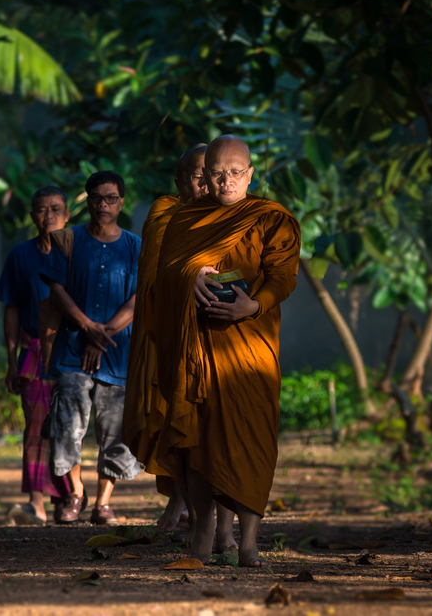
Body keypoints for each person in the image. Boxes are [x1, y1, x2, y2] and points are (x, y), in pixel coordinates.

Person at [144, 135, 300, 566]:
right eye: (217, 173)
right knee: (196, 442)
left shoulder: (271, 218)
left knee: (251, 439)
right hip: (196, 350)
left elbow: (282, 276)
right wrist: (188, 277)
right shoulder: (185, 219)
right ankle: (202, 536)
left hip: (251, 348)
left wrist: (254, 304)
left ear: (250, 174)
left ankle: (248, 543)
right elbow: (164, 276)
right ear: (204, 176)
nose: (226, 181)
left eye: (235, 172)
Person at [124, 144, 234, 543]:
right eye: (196, 175)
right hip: (166, 334)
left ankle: (223, 526)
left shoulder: (233, 215)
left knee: (219, 430)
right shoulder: (164, 214)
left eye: (212, 174)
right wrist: (187, 277)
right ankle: (186, 504)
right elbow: (152, 280)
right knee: (179, 424)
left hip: (219, 334)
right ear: (179, 180)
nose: (205, 182)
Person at [39, 171, 143, 525]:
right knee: (68, 424)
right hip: (72, 350)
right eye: (97, 198)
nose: (103, 204)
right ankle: (75, 493)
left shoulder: (134, 246)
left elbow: (139, 297)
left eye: (111, 198)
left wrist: (104, 334)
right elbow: (56, 289)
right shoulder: (70, 240)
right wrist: (86, 326)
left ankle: (104, 503)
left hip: (117, 352)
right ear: (88, 200)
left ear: (122, 202)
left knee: (115, 430)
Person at [0, 186, 73, 525]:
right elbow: (10, 309)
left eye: (56, 208)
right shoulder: (20, 257)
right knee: (36, 427)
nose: (49, 215)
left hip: (69, 349)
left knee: (69, 426)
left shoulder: (77, 253)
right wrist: (11, 359)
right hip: (33, 351)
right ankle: (36, 502)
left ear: (67, 214)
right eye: (42, 209)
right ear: (32, 216)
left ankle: (69, 496)